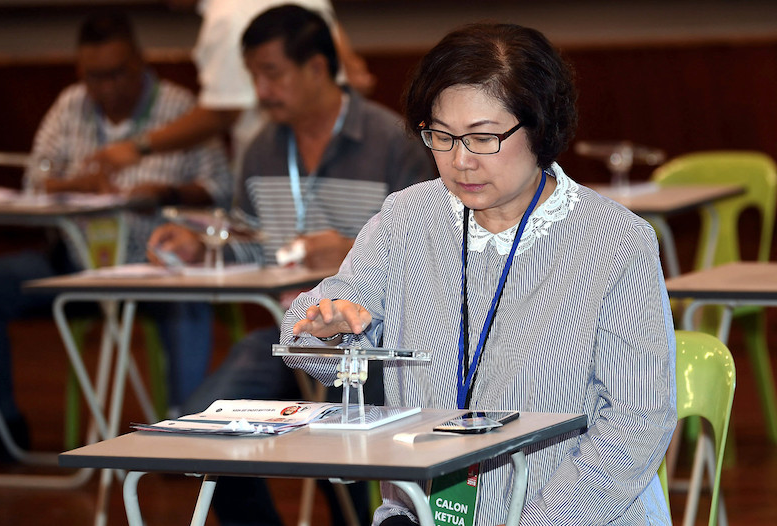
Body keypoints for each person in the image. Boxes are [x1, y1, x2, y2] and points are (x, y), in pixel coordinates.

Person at [284, 23, 677, 526]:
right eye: (441, 136)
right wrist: (324, 328)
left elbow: (636, 422)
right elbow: (315, 342)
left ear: (540, 127)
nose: (460, 160)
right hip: (423, 513)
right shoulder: (408, 218)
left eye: (483, 137)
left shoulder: (617, 242)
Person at [147, 5, 433, 525]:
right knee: (203, 433)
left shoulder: (393, 142)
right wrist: (200, 244)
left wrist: (350, 248)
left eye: (272, 73)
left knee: (348, 436)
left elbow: (430, 249)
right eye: (254, 74)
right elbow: (252, 243)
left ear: (318, 69)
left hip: (372, 341)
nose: (261, 89)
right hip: (290, 335)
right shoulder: (260, 150)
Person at [0, 11, 231, 461]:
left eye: (117, 74)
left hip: (156, 265)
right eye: (95, 77)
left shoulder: (183, 109)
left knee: (188, 298)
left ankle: (190, 433)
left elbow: (219, 187)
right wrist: (72, 185)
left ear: (140, 63)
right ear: (81, 73)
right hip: (72, 262)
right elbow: (35, 179)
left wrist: (162, 193)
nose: (107, 87)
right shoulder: (69, 104)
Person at [87, 0, 375, 188]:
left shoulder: (227, 16)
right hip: (346, 151)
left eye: (271, 73)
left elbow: (222, 112)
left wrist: (138, 147)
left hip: (280, 169)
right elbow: (358, 76)